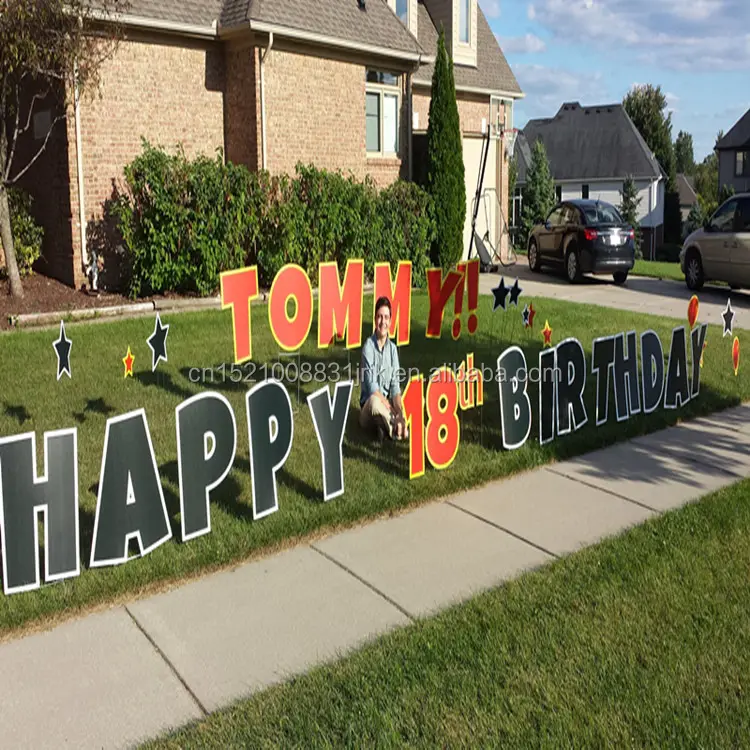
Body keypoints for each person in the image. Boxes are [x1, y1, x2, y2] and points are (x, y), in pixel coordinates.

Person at [359, 296, 408, 441]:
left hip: (387, 406)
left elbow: (395, 388)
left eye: (386, 317)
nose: (383, 322)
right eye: (380, 317)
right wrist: (392, 411)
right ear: (375, 319)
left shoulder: (393, 350)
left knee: (403, 402)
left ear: (391, 321)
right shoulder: (368, 347)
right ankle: (397, 429)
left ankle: (386, 427)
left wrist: (399, 411)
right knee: (375, 402)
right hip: (369, 408)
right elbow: (372, 388)